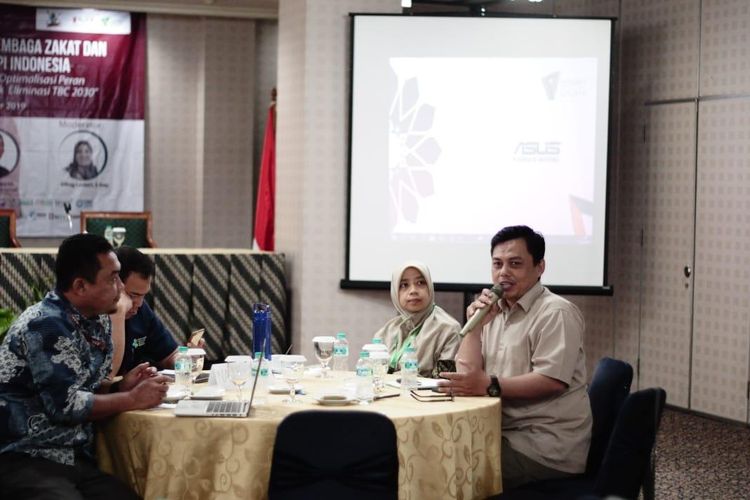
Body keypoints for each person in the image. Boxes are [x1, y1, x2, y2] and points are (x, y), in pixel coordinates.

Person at [0, 233, 170, 499]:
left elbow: (84, 386)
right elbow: (65, 406)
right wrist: (131, 398)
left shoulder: (96, 319)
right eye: (113, 278)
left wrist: (119, 387)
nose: (120, 288)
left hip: (72, 457)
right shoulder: (44, 324)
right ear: (80, 286)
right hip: (26, 455)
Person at [439, 225, 592, 490]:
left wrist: (487, 385)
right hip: (500, 432)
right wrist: (475, 327)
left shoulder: (556, 313)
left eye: (515, 264)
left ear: (540, 267)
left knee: (451, 473)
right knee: (433, 456)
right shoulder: (496, 310)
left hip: (543, 446)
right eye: (497, 264)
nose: (503, 273)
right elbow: (467, 377)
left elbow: (552, 381)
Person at [110, 246, 204, 376]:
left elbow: (170, 356)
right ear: (114, 284)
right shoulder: (95, 314)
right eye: (132, 295)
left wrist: (187, 360)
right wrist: (118, 313)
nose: (139, 303)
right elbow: (104, 382)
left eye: (143, 296)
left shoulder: (142, 310)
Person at [374, 260, 461, 378]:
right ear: (395, 292)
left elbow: (444, 381)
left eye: (420, 283)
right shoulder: (386, 332)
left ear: (430, 287)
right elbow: (371, 375)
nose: (413, 290)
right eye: (404, 285)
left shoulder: (449, 329)